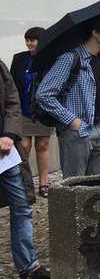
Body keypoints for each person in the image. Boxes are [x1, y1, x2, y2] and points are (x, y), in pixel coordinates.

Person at [35, 19, 100, 178]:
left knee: (96, 186)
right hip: (77, 131)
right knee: (75, 187)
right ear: (95, 33)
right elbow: (44, 94)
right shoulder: (70, 58)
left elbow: (97, 92)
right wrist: (72, 121)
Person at [0, 56, 50, 279]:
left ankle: (28, 268)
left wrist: (10, 133)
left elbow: (12, 101)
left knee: (22, 207)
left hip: (5, 153)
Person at [10, 27, 54, 197]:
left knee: (42, 146)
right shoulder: (20, 59)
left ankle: (43, 184)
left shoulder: (50, 59)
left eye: (32, 40)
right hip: (23, 109)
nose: (29, 43)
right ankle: (24, 182)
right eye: (27, 40)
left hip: (43, 110)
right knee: (24, 146)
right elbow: (13, 83)